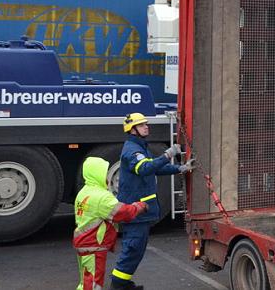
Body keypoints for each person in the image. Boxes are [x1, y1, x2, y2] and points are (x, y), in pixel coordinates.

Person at [111, 113, 195, 290]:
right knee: (133, 249)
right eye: (142, 125)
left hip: (140, 212)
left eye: (146, 124)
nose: (146, 127)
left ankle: (123, 283)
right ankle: (118, 285)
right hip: (136, 212)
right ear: (132, 130)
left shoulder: (139, 146)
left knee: (136, 250)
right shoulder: (132, 150)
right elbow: (144, 168)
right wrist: (167, 155)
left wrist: (179, 168)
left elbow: (154, 169)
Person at [73, 156, 148, 290]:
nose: (107, 175)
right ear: (96, 174)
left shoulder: (84, 192)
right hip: (94, 245)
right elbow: (123, 213)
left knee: (85, 281)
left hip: (82, 242)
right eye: (104, 172)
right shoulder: (101, 196)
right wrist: (139, 206)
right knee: (93, 283)